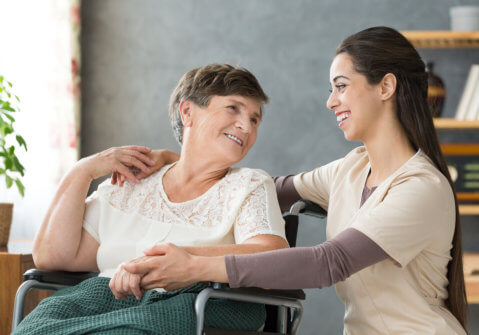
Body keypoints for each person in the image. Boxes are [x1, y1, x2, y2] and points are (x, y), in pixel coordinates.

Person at [115, 27, 469, 334]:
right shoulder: (351, 170)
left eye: (341, 86)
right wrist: (180, 162)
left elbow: (328, 263)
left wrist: (194, 267)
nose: (331, 101)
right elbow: (257, 189)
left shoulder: (421, 188)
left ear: (386, 86)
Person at [15, 63, 289, 334]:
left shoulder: (248, 184)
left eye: (254, 119)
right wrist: (83, 170)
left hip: (193, 303)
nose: (246, 126)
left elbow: (273, 256)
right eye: (233, 108)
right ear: (187, 112)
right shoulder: (133, 182)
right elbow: (53, 257)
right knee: (35, 327)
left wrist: (180, 259)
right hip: (106, 300)